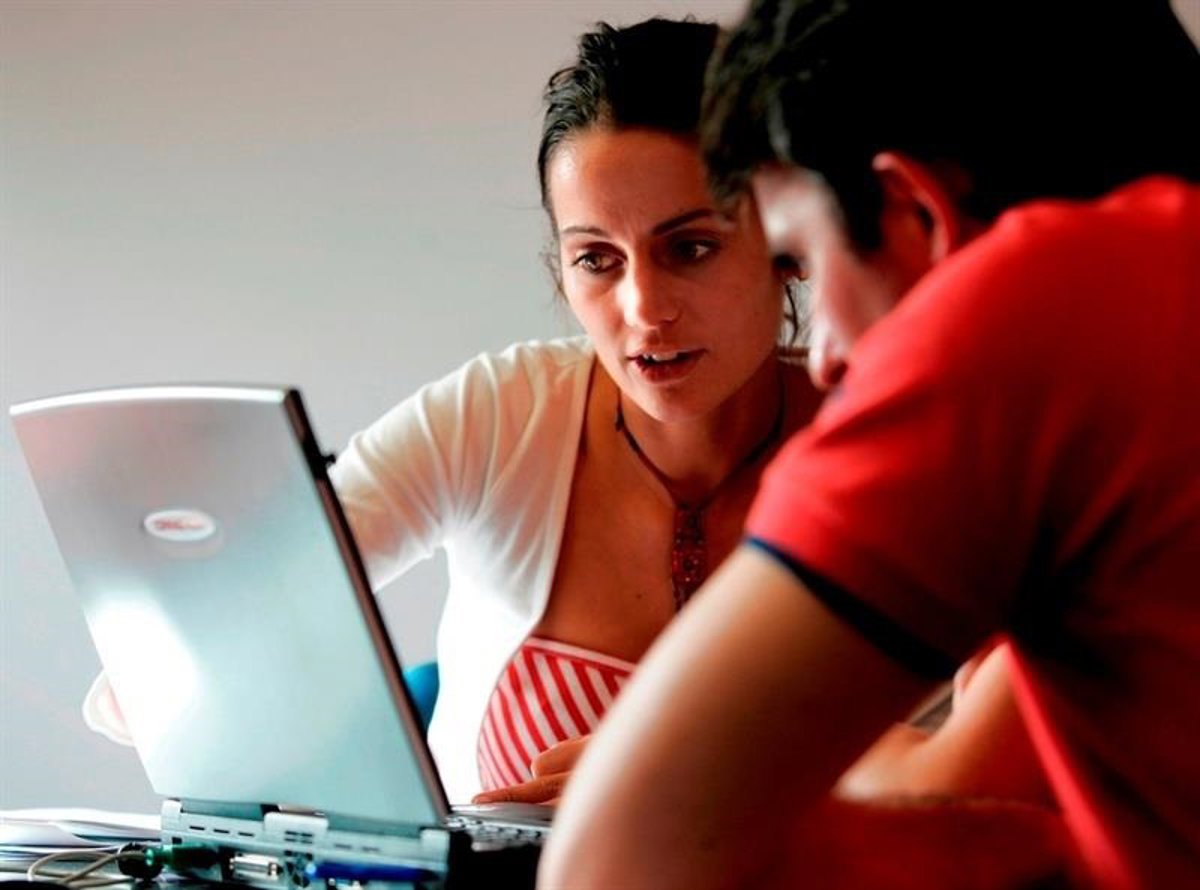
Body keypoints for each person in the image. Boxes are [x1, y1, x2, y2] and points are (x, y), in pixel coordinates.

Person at [541, 1, 1200, 888]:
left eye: (803, 257)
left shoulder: (1030, 318)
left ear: (913, 212)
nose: (823, 354)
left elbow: (614, 864)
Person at [83, 17, 823, 805]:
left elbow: (929, 766)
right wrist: (191, 651)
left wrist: (717, 760)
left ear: (789, 241)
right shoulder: (497, 416)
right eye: (596, 259)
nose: (643, 309)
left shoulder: (889, 439)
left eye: (691, 247)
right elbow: (181, 657)